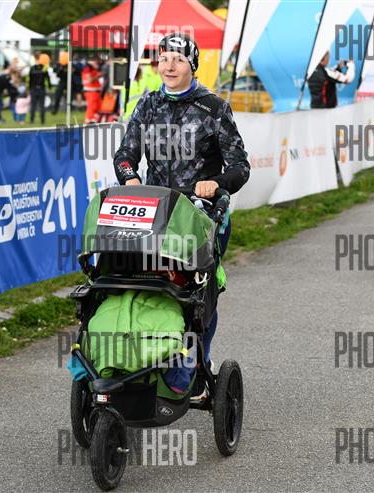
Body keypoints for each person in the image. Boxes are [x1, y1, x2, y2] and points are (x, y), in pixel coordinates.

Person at [113, 32, 250, 401]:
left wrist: (215, 183)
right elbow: (125, 155)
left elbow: (240, 167)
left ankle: (195, 365)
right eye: (164, 59)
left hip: (201, 218)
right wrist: (131, 178)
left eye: (178, 59)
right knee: (151, 286)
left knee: (197, 295)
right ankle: (144, 360)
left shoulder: (213, 108)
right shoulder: (147, 104)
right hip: (154, 215)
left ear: (192, 65)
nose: (169, 66)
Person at [28, 54, 51, 124]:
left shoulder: (32, 68)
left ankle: (32, 120)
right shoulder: (44, 68)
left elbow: (30, 80)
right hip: (41, 88)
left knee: (33, 105)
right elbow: (48, 78)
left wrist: (29, 88)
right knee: (41, 105)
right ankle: (42, 121)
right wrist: (49, 86)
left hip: (34, 89)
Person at [82, 57, 102, 123]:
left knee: (98, 108)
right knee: (91, 108)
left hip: (95, 91)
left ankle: (94, 121)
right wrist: (99, 75)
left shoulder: (92, 68)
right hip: (91, 91)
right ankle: (87, 122)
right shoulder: (87, 68)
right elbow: (90, 80)